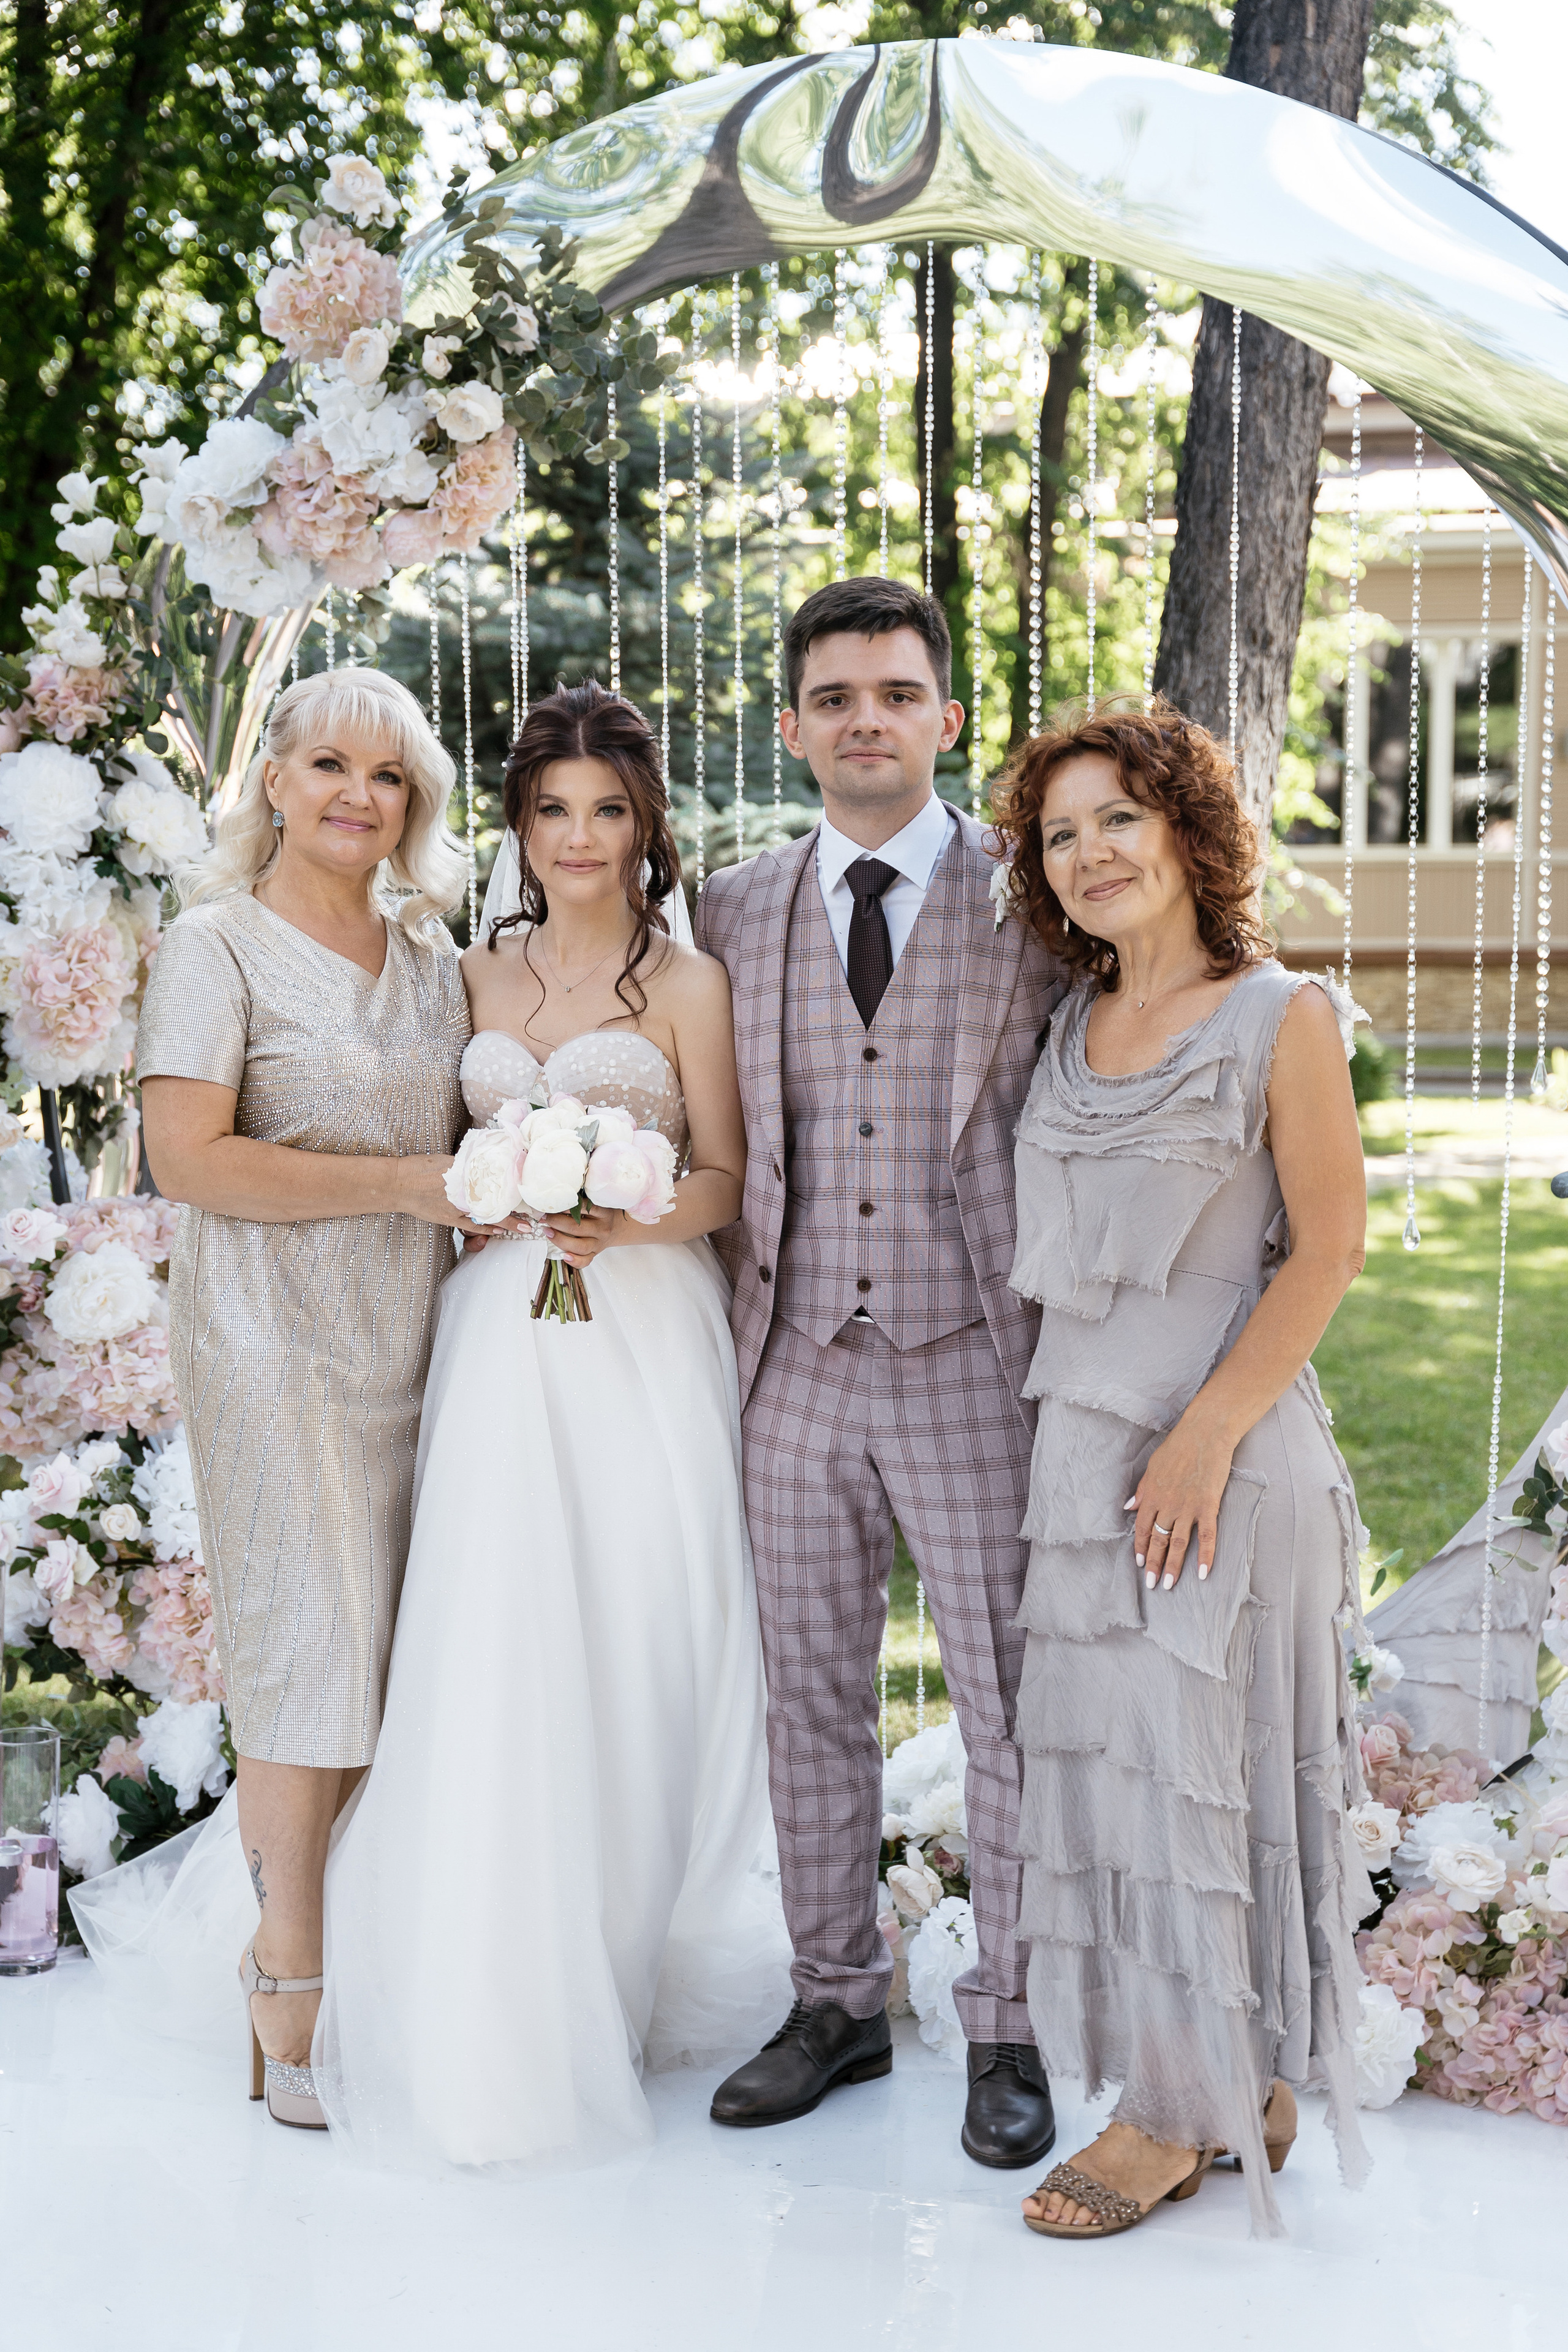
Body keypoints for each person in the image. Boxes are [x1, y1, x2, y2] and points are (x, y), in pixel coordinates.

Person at [312, 682, 791, 2174]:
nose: (578, 836)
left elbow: (722, 1180)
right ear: (517, 828)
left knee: (642, 1633)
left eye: (605, 810)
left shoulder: (691, 984)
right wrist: (506, 1199)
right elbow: (437, 1153)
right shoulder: (466, 975)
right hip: (497, 1343)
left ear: (643, 825)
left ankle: (636, 1952)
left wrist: (626, 1214)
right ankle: (489, 1959)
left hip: (641, 1336)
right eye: (549, 811)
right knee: (498, 1628)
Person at [990, 697, 1373, 2240]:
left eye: (1115, 821)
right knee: (1116, 1779)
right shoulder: (1063, 1022)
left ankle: (1170, 2118)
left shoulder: (1277, 1013)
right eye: (1059, 834)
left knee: (1194, 1780)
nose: (1087, 854)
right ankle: (1231, 2081)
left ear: (1185, 833)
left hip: (1216, 1449)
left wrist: (1202, 1438)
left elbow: (1327, 1248)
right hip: (1077, 1443)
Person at [697, 576, 1068, 2169]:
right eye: (835, 696)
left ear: (948, 719)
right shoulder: (725, 909)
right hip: (789, 1361)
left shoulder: (1036, 895)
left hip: (978, 1355)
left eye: (896, 693)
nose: (866, 718)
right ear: (792, 728)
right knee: (809, 1702)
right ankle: (836, 2002)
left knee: (1012, 1706)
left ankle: (1018, 2024)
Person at [124, 668, 477, 2128]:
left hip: (418, 1331)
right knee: (302, 1647)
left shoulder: (434, 947)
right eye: (328, 763)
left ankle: (387, 1962)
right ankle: (287, 1989)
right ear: (271, 780)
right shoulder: (214, 948)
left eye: (387, 776)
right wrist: (408, 1184)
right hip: (267, 1336)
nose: (357, 795)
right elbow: (190, 1161)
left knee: (400, 1654)